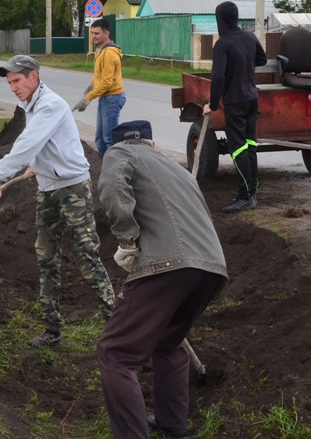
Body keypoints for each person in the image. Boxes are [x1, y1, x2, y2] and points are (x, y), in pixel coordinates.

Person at [96, 120, 228, 439]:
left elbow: (113, 188)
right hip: (210, 268)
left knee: (116, 353)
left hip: (168, 265)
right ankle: (173, 425)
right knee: (168, 342)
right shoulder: (175, 168)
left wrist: (128, 241)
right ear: (152, 144)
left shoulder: (118, 153)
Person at [0, 55, 115, 348]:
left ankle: (120, 326)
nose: (13, 88)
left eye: (17, 81)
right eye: (9, 83)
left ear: (33, 77)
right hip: (47, 189)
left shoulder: (50, 104)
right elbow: (43, 144)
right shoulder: (30, 104)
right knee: (46, 259)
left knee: (87, 258)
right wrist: (36, 166)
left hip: (72, 189)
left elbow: (29, 141)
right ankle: (52, 330)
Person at [203, 0, 268, 213]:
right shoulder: (249, 36)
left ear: (220, 19)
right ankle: (252, 189)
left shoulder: (222, 44)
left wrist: (212, 105)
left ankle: (245, 196)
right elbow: (262, 58)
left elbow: (218, 78)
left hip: (236, 102)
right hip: (251, 98)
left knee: (238, 147)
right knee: (250, 145)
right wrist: (243, 64)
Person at [73, 18, 126, 155]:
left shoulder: (109, 53)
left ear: (106, 33)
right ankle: (105, 167)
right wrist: (92, 83)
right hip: (106, 98)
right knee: (100, 140)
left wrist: (88, 98)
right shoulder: (100, 50)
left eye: (96, 33)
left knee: (110, 140)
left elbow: (107, 82)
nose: (93, 36)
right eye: (92, 33)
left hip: (112, 98)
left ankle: (115, 170)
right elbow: (100, 75)